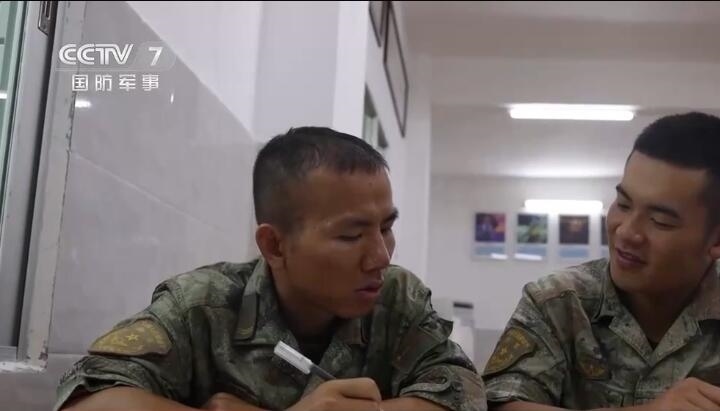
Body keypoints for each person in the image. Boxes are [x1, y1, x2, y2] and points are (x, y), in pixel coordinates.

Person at [56, 127, 486, 411]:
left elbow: (463, 392)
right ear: (275, 245)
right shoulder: (202, 305)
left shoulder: (396, 298)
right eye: (351, 235)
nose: (381, 256)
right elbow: (87, 399)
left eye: (386, 228)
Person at [482, 112, 720, 411]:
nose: (627, 231)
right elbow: (504, 403)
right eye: (623, 204)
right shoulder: (558, 302)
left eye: (660, 221)